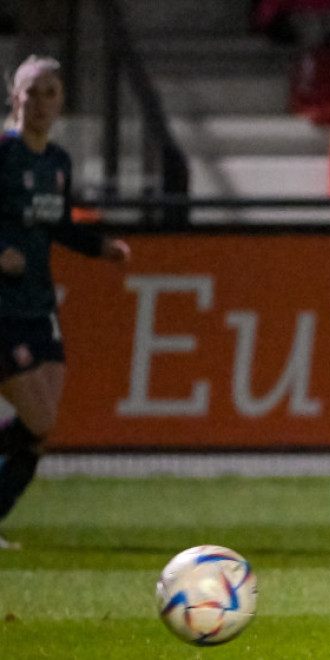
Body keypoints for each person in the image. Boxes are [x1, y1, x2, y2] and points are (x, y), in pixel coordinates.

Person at [0, 56, 131, 549]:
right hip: (3, 306)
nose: (39, 102)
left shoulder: (57, 162)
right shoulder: (4, 153)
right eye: (31, 92)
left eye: (50, 93)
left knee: (40, 430)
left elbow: (58, 225)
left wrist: (101, 248)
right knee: (39, 419)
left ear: (61, 104)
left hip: (39, 304)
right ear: (16, 97)